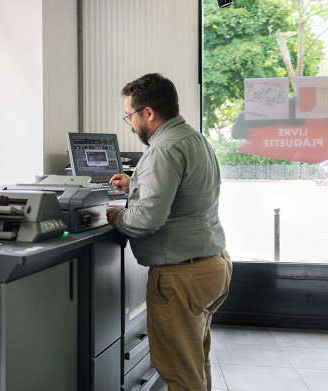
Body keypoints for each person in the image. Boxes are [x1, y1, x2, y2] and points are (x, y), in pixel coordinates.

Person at [106, 73, 231, 391]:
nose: (131, 125)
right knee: (195, 363)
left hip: (180, 277)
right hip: (213, 266)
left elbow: (148, 218)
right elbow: (185, 194)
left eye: (130, 116)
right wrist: (135, 185)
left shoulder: (163, 149)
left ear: (148, 112)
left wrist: (116, 217)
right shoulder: (194, 138)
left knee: (178, 373)